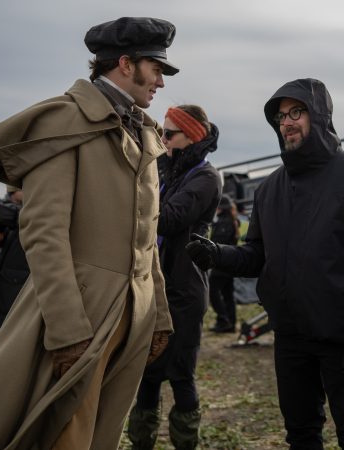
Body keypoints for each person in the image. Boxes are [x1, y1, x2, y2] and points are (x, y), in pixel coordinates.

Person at [0, 17, 178, 449]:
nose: (161, 81)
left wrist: (157, 315)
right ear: (125, 64)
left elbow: (147, 237)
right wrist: (68, 328)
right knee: (61, 431)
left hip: (131, 312)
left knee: (101, 433)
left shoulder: (144, 131)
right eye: (156, 68)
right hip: (82, 312)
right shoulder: (65, 122)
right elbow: (44, 233)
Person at [187, 78, 344, 449]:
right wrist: (218, 254)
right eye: (281, 116)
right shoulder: (269, 188)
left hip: (342, 336)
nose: (287, 122)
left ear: (319, 115)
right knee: (300, 434)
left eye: (296, 112)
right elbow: (256, 257)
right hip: (290, 336)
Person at [128, 105, 221, 450]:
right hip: (156, 286)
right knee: (148, 375)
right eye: (161, 133)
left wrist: (148, 175)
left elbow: (168, 218)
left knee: (181, 375)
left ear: (192, 136)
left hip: (184, 290)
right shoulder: (170, 173)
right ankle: (141, 442)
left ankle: (185, 443)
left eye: (169, 134)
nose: (162, 139)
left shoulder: (205, 176)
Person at [0, 187, 29, 344]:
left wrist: (13, 217)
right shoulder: (12, 217)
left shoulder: (22, 215)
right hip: (5, 287)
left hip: (13, 291)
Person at [208, 194, 240, 333]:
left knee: (213, 291)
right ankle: (231, 323)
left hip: (222, 263)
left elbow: (218, 243)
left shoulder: (223, 222)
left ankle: (223, 319)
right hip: (230, 263)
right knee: (228, 295)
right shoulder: (232, 221)